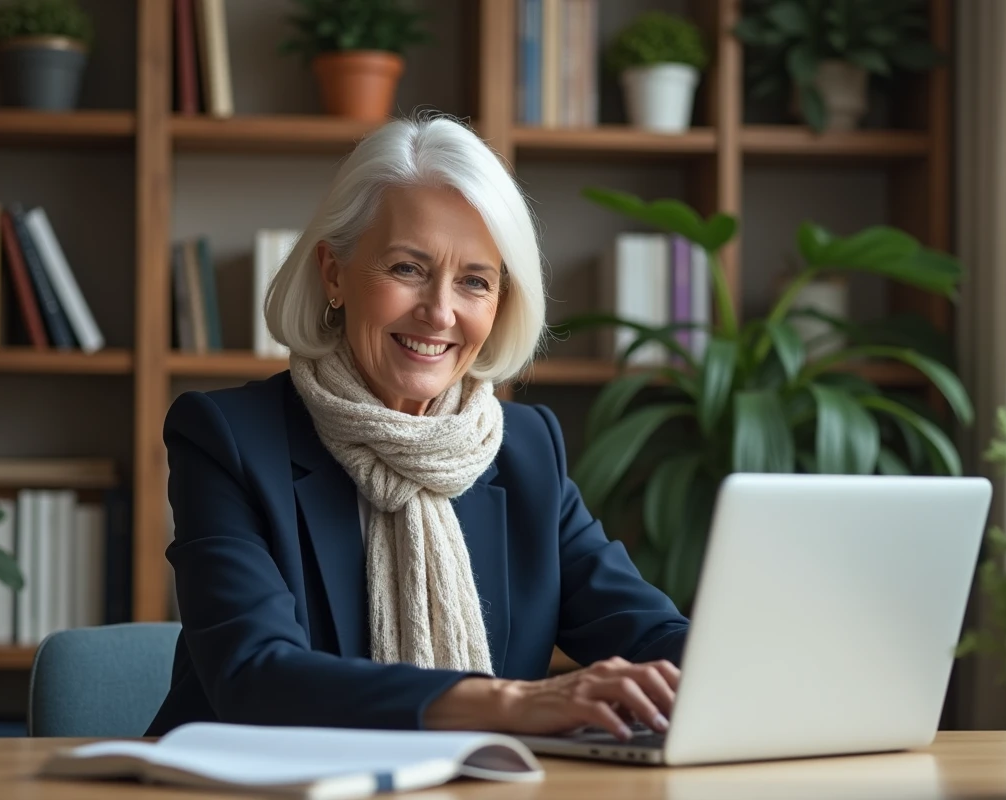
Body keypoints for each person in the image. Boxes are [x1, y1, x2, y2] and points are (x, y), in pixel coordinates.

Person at [146, 114, 690, 742]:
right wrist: (509, 703)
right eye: (408, 268)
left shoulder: (525, 450)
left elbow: (648, 633)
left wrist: (744, 668)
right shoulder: (228, 438)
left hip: (471, 782)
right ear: (333, 273)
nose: (439, 312)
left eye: (475, 282)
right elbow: (255, 676)